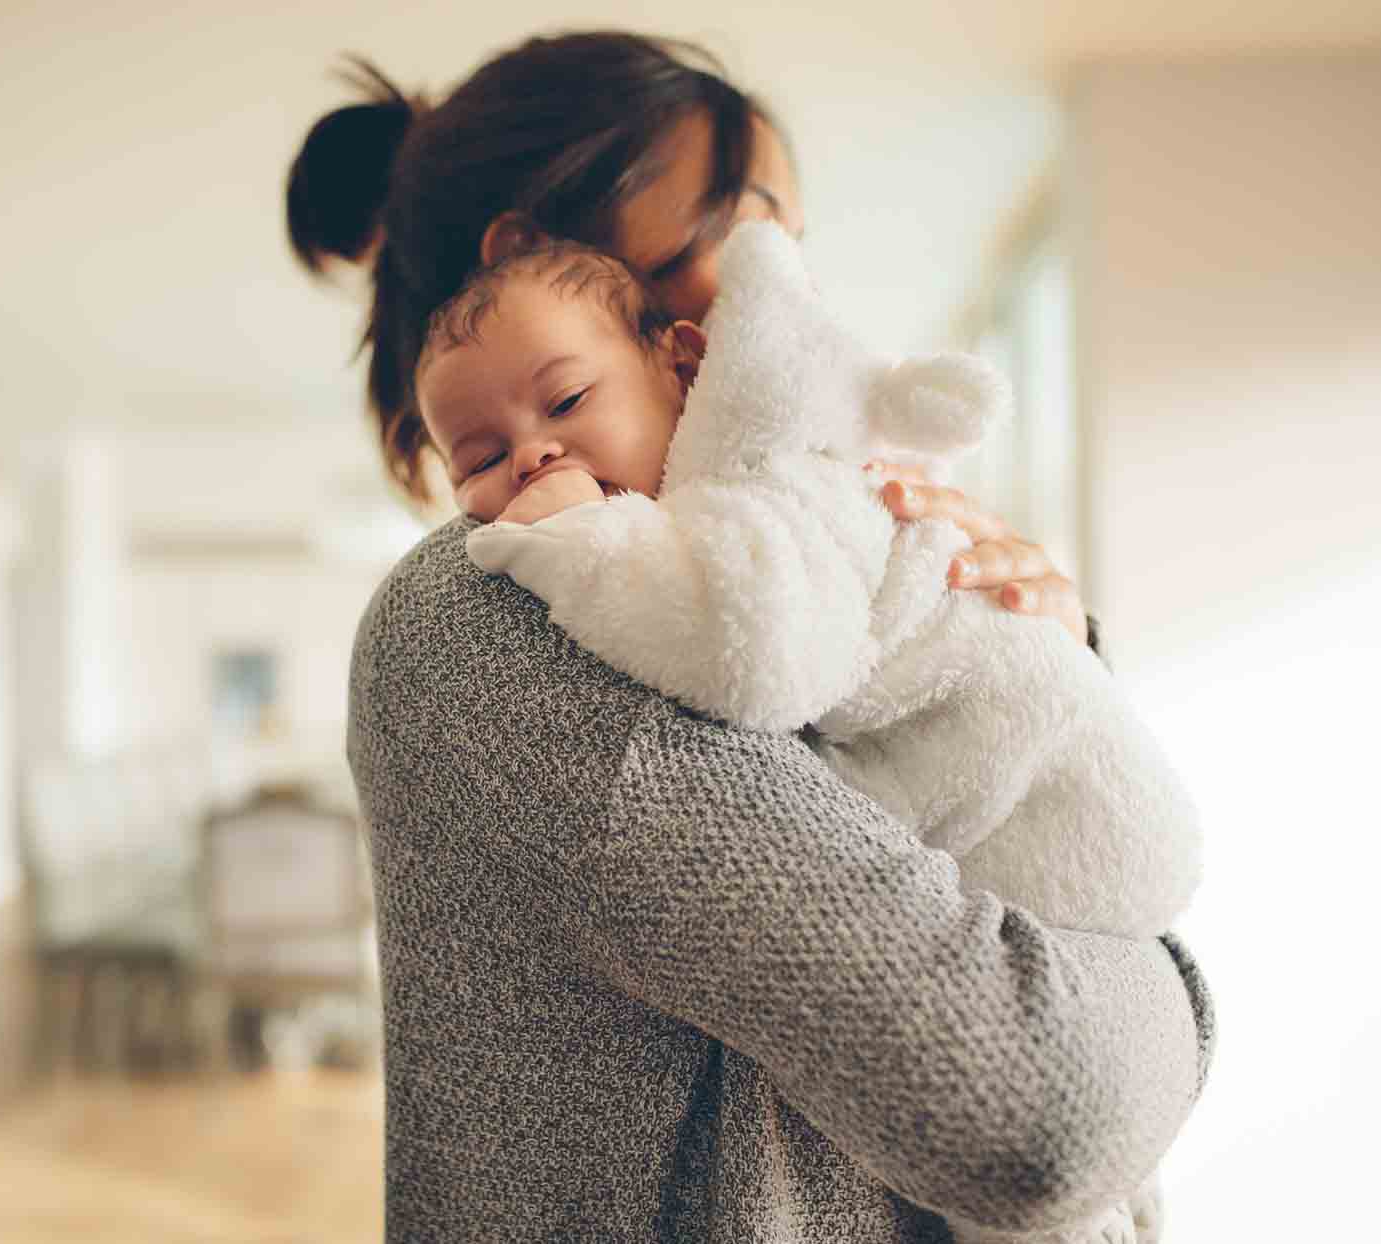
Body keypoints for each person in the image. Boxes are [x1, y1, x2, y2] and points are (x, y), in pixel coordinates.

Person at [290, 30, 1213, 1243]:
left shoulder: (743, 561)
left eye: (794, 240)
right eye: (736, 232)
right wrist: (1174, 984)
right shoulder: (500, 611)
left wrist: (1034, 658)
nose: (786, 288)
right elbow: (1044, 1110)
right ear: (536, 257)